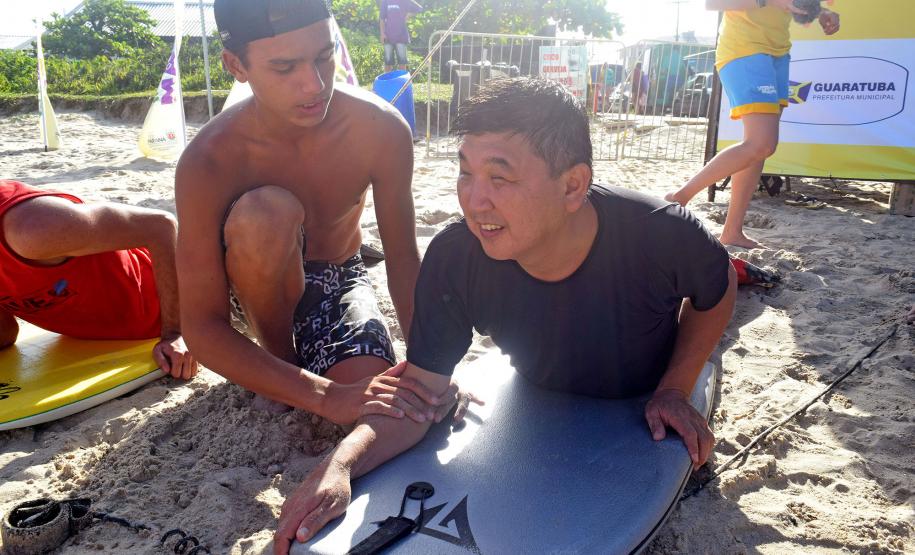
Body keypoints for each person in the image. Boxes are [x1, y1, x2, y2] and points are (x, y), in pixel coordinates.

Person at [273, 78, 738, 553]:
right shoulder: (457, 256)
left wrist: (676, 388)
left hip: (641, 392)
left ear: (573, 185)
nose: (475, 201)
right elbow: (419, 398)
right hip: (536, 391)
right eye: (465, 172)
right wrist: (340, 466)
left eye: (500, 177)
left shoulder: (658, 234)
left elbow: (720, 286)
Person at [177, 0, 451, 426]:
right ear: (236, 65)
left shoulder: (379, 128)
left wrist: (428, 368)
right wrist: (323, 396)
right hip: (244, 294)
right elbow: (202, 326)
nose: (314, 84)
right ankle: (279, 359)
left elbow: (403, 260)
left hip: (337, 276)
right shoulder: (208, 161)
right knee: (268, 213)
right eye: (285, 68)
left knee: (380, 404)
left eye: (324, 57)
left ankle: (292, 372)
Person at [664, 0, 841, 248]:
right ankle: (679, 197)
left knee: (757, 150)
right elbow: (712, 3)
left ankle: (732, 232)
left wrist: (820, 12)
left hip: (778, 53)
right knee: (761, 144)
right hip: (744, 50)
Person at [0, 179, 197, 379]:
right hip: (100, 344)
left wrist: (178, 332)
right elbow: (5, 333)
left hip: (186, 308)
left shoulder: (31, 230)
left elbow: (161, 225)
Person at [378, 0, 423, 72]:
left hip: (401, 36)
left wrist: (409, 14)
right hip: (388, 36)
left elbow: (419, 8)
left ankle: (402, 82)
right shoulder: (385, 1)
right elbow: (382, 18)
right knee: (388, 62)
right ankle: (388, 82)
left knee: (402, 62)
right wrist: (382, 34)